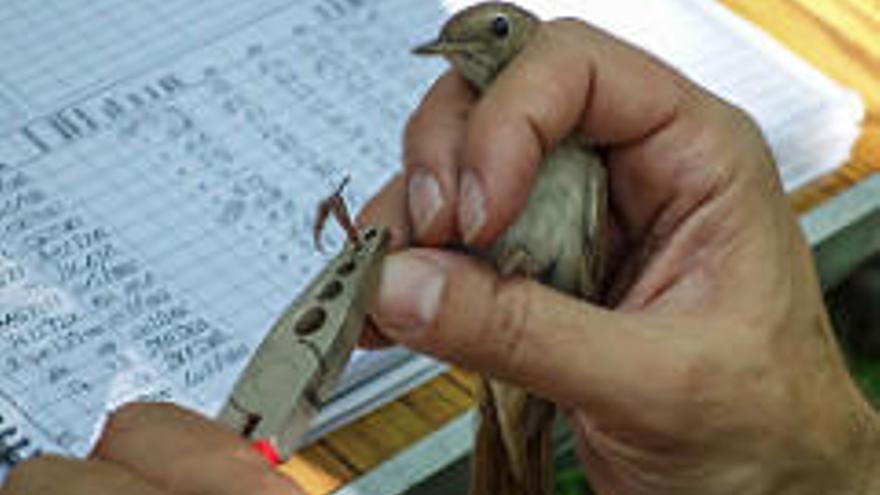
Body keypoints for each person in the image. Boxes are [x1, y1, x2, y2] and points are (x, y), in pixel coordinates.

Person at [4, 18, 878, 495]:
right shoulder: (524, 138)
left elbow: (536, 278)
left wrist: (508, 314)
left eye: (486, 37)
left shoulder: (586, 153)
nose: (462, 56)